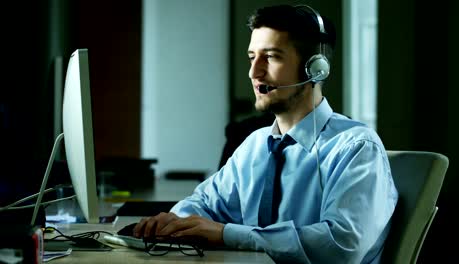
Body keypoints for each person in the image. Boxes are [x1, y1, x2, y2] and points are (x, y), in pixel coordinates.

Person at [133, 4, 398, 263]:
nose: (254, 72)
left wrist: (227, 234)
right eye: (252, 57)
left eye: (270, 57)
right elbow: (203, 204)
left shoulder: (356, 147)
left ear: (316, 68)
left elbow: (342, 246)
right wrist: (172, 224)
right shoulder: (256, 145)